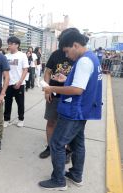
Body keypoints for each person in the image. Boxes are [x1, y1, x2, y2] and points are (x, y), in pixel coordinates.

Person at [39, 30, 102, 190]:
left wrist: (51, 87)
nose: (66, 55)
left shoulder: (83, 61)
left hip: (74, 110)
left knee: (57, 143)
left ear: (75, 45)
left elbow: (77, 90)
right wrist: (66, 80)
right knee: (77, 143)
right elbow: (83, 84)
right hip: (83, 110)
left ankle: (58, 180)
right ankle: (76, 174)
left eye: (67, 51)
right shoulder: (92, 58)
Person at [39, 29, 76, 161]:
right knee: (51, 122)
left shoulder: (77, 56)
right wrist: (47, 89)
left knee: (67, 125)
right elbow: (48, 72)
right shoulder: (55, 54)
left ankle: (66, 150)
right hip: (54, 95)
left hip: (70, 96)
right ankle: (50, 147)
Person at [4, 36, 28, 128]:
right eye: (8, 43)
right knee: (7, 103)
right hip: (8, 84)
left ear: (17, 45)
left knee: (20, 103)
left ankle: (21, 119)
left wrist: (20, 82)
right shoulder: (6, 56)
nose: (9, 45)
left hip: (19, 84)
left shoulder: (22, 55)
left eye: (11, 44)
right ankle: (6, 119)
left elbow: (25, 70)